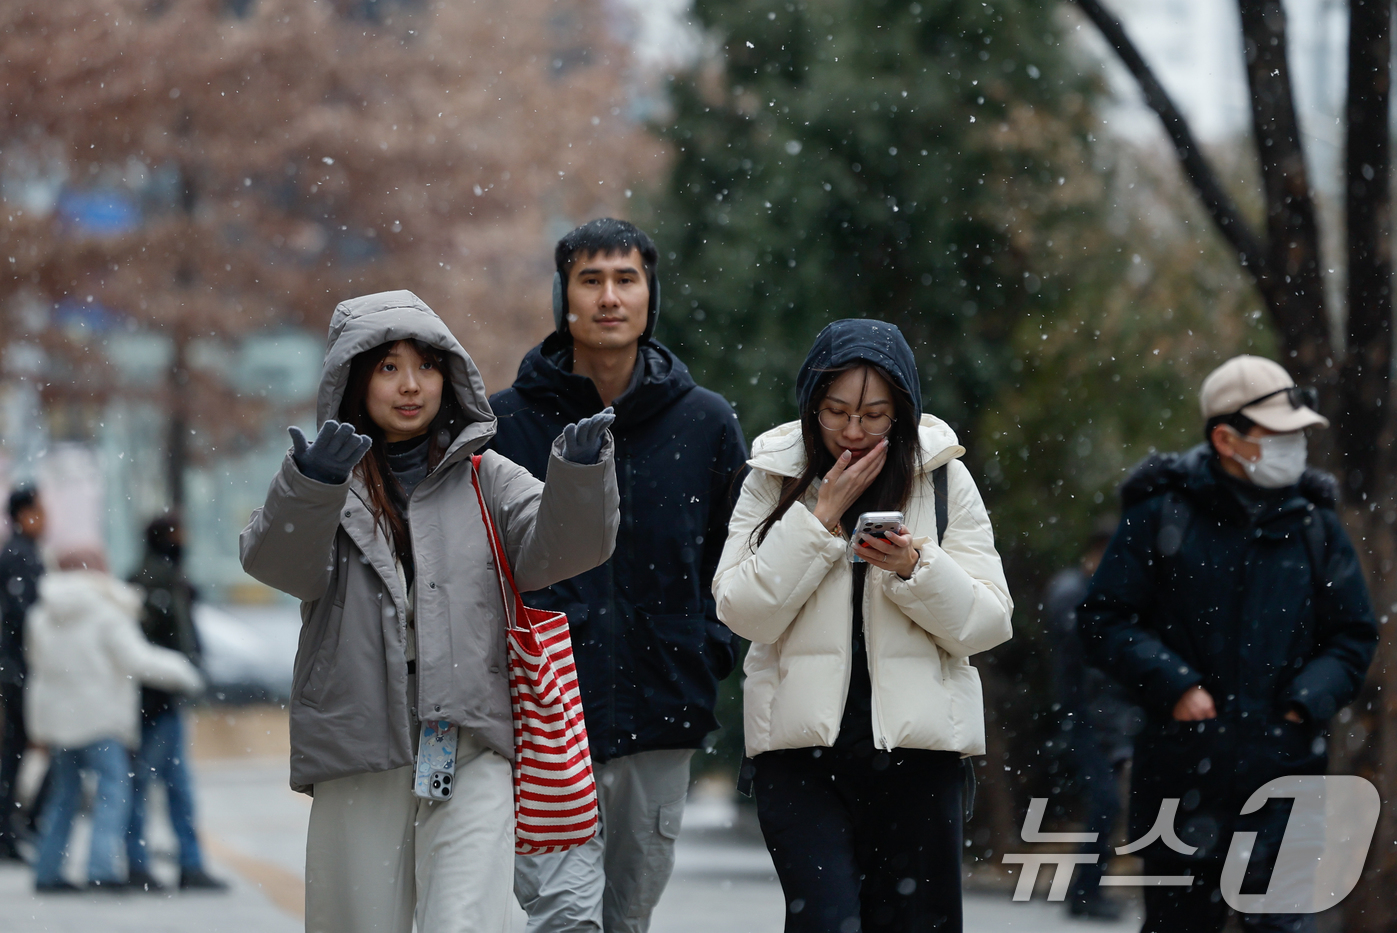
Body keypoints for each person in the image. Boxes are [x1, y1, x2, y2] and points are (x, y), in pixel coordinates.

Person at [239, 289, 620, 933]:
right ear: (354, 382)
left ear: (450, 375)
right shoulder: (326, 480)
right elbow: (280, 567)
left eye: (426, 365)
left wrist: (580, 476)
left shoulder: (487, 476)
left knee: (465, 920)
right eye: (387, 367)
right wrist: (312, 488)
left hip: (470, 736)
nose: (411, 385)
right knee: (357, 922)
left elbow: (558, 552)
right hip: (358, 740)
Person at [712, 320, 1014, 933]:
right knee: (826, 922)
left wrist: (914, 566)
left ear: (902, 412)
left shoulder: (945, 478)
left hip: (918, 758)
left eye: (875, 414)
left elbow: (987, 621)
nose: (853, 431)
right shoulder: (772, 477)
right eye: (836, 411)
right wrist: (818, 519)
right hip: (800, 759)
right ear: (809, 406)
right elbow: (742, 610)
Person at [491, 218, 748, 933]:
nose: (609, 296)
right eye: (591, 279)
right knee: (563, 916)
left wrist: (709, 643)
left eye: (626, 279)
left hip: (661, 706)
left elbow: (736, 554)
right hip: (543, 716)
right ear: (562, 296)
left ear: (649, 294)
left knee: (627, 916)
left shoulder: (706, 423)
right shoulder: (506, 423)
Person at [1078, 355, 1378, 933]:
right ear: (1225, 438)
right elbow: (1103, 620)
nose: (1296, 447)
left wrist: (1301, 704)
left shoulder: (1315, 524)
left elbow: (1353, 635)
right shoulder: (1160, 513)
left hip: (1287, 775)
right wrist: (1177, 685)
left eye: (1299, 434)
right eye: (1280, 434)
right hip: (1182, 781)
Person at [25, 549, 203, 892]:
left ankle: (47, 871)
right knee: (112, 793)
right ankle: (101, 870)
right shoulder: (108, 610)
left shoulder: (42, 612)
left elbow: (36, 663)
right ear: (95, 569)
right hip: (100, 719)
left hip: (60, 722)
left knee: (64, 796)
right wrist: (185, 673)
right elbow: (138, 659)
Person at [124, 514, 227, 892]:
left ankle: (173, 863)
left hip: (155, 698)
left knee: (160, 785)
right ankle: (175, 864)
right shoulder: (159, 578)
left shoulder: (150, 576)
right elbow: (164, 641)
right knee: (160, 786)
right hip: (159, 698)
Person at [1044, 520, 1138, 921]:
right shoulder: (1072, 592)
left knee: (1106, 806)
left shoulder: (1100, 593)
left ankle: (1086, 890)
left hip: (1105, 721)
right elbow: (1087, 652)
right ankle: (1084, 892)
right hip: (1082, 717)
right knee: (1104, 803)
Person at [0, 486, 45, 861]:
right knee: (18, 750)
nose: (45, 520)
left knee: (17, 750)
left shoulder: (17, 553)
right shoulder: (20, 555)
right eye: (39, 512)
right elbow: (25, 615)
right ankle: (12, 829)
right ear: (23, 514)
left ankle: (15, 827)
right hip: (17, 669)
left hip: (14, 667)